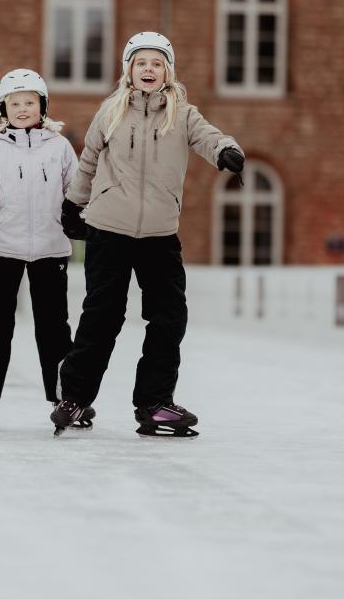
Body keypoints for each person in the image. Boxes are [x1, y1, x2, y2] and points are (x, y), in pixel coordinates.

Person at [53, 32, 244, 438]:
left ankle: (154, 403)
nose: (149, 69)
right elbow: (88, 161)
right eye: (141, 62)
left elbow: (208, 137)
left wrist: (226, 150)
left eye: (157, 63)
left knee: (169, 317)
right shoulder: (110, 111)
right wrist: (73, 204)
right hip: (109, 228)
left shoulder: (183, 114)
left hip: (160, 233)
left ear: (167, 72)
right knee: (102, 317)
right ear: (129, 70)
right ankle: (75, 398)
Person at [0, 69, 94, 431]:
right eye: (14, 103)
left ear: (42, 106)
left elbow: (77, 193)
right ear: (3, 109)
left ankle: (68, 397)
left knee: (54, 329)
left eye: (29, 102)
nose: (22, 109)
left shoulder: (60, 147)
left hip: (51, 250)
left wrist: (83, 223)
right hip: (3, 250)